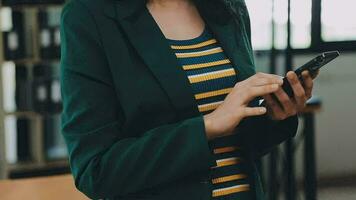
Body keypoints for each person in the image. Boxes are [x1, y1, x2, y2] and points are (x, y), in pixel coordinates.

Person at [60, 0, 316, 199]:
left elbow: (238, 144)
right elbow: (94, 171)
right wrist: (207, 127)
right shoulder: (88, 17)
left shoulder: (229, 7)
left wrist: (273, 115)